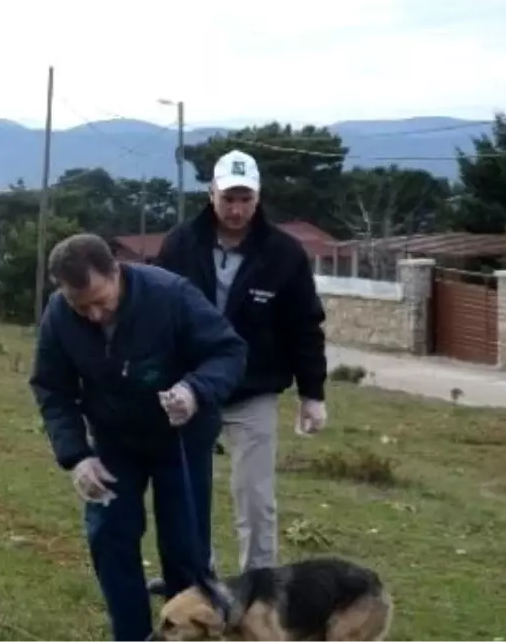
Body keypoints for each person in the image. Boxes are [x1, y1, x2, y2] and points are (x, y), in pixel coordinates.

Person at [28, 233, 248, 642]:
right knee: (110, 536)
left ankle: (193, 631)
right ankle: (131, 636)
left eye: (99, 300)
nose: (93, 315)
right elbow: (51, 388)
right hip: (114, 443)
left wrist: (195, 390)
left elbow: (229, 351)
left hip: (181, 440)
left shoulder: (170, 296)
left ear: (116, 271)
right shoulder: (60, 316)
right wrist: (77, 456)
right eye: (81, 306)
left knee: (185, 548)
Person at [149, 149, 329, 585]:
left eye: (245, 199)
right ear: (211, 194)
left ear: (258, 197)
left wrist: (313, 393)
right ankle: (197, 579)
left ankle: (260, 587)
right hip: (192, 388)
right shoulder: (180, 244)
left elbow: (304, 325)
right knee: (189, 490)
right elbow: (156, 314)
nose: (236, 209)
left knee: (254, 495)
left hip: (255, 388)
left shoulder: (284, 254)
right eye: (228, 198)